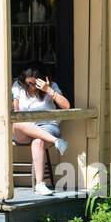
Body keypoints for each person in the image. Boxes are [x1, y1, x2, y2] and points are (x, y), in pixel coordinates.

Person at [12, 62, 70, 196]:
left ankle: (40, 184)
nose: (31, 87)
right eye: (29, 84)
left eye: (35, 84)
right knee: (16, 122)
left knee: (38, 142)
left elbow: (66, 105)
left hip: (47, 127)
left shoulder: (51, 86)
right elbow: (16, 112)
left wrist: (48, 90)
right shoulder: (18, 87)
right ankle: (56, 141)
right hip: (24, 129)